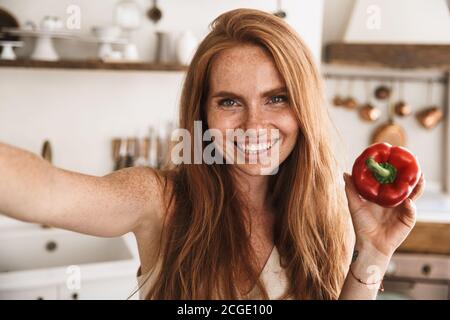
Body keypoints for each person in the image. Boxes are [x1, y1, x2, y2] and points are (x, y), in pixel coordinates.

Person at [0, 8, 424, 300]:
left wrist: (373, 255)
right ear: (202, 114)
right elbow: (48, 190)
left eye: (276, 98)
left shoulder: (329, 211)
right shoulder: (160, 200)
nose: (255, 125)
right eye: (229, 102)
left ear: (303, 107)